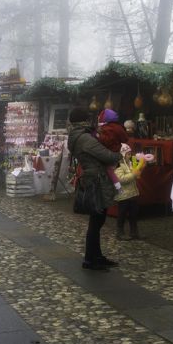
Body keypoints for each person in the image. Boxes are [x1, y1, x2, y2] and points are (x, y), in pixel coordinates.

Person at [67, 107, 121, 271]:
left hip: (93, 178)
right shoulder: (85, 138)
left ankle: (96, 256)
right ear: (83, 121)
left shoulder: (78, 136)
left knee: (98, 220)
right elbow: (106, 155)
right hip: (95, 180)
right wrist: (120, 154)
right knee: (96, 221)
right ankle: (90, 260)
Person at [114, 143, 145, 240]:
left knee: (134, 213)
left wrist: (141, 167)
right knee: (122, 214)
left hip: (132, 193)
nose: (130, 156)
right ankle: (120, 232)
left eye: (130, 153)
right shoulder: (119, 165)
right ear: (122, 154)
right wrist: (133, 174)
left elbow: (137, 175)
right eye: (128, 154)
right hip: (123, 195)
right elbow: (121, 179)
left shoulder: (131, 163)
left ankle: (134, 231)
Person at [96, 109, 129, 191]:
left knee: (108, 173)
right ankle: (118, 189)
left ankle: (115, 189)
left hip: (106, 154)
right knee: (115, 172)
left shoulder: (105, 128)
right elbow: (125, 139)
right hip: (117, 153)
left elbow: (104, 141)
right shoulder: (119, 127)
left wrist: (98, 135)